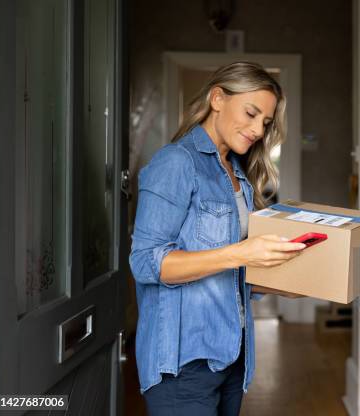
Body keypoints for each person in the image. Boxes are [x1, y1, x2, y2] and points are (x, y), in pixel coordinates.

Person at [129, 61, 306, 416]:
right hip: (184, 364)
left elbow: (228, 272)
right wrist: (242, 252)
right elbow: (147, 262)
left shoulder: (235, 172)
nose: (258, 129)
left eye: (266, 123)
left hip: (231, 357)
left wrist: (280, 285)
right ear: (218, 98)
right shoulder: (176, 163)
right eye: (251, 113)